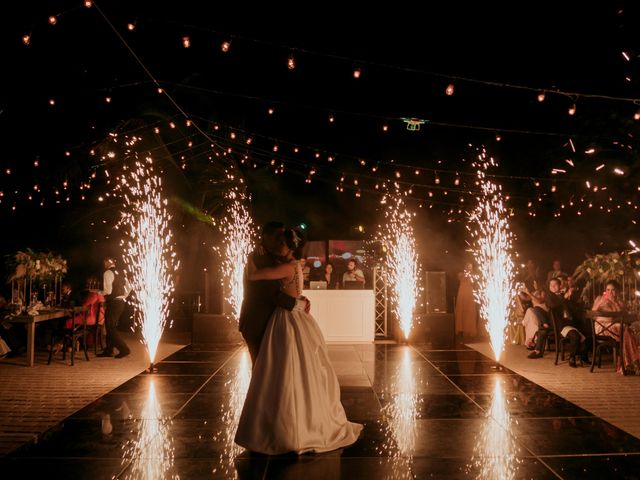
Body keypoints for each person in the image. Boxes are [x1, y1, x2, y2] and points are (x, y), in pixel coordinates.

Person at [235, 227, 362, 454]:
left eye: (282, 242)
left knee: (279, 371)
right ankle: (282, 423)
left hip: (283, 320)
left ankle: (279, 426)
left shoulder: (283, 265)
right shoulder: (288, 264)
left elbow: (259, 279)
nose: (279, 245)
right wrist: (299, 300)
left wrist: (250, 264)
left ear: (288, 246)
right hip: (275, 319)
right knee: (282, 371)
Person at [238, 221, 310, 366]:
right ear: (265, 237)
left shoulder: (273, 258)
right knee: (261, 368)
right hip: (257, 321)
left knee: (273, 368)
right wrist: (296, 303)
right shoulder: (259, 258)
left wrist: (298, 297)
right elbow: (270, 293)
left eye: (283, 237)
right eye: (278, 237)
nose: (281, 241)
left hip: (268, 321)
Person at [592, 280, 640, 375]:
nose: (610, 292)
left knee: (630, 330)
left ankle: (627, 365)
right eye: (608, 290)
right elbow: (593, 312)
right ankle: (634, 363)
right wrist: (602, 301)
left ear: (617, 291)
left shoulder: (619, 301)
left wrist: (615, 302)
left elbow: (623, 316)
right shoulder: (600, 298)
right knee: (626, 330)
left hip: (617, 327)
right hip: (602, 327)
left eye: (613, 290)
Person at [96, 257, 131, 359]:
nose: (104, 264)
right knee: (111, 326)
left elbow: (108, 291)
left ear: (107, 262)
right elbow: (129, 287)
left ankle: (124, 349)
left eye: (104, 262)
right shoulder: (121, 272)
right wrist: (123, 296)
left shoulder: (107, 273)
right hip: (120, 302)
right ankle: (109, 350)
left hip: (113, 303)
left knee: (110, 328)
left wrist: (98, 292)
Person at [454, 263, 478, 338]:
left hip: (469, 294)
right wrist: (467, 273)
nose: (470, 269)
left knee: (470, 311)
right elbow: (461, 278)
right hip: (462, 294)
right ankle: (461, 329)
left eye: (471, 267)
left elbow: (474, 282)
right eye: (468, 267)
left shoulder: (473, 276)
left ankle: (469, 330)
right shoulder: (461, 274)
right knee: (462, 311)